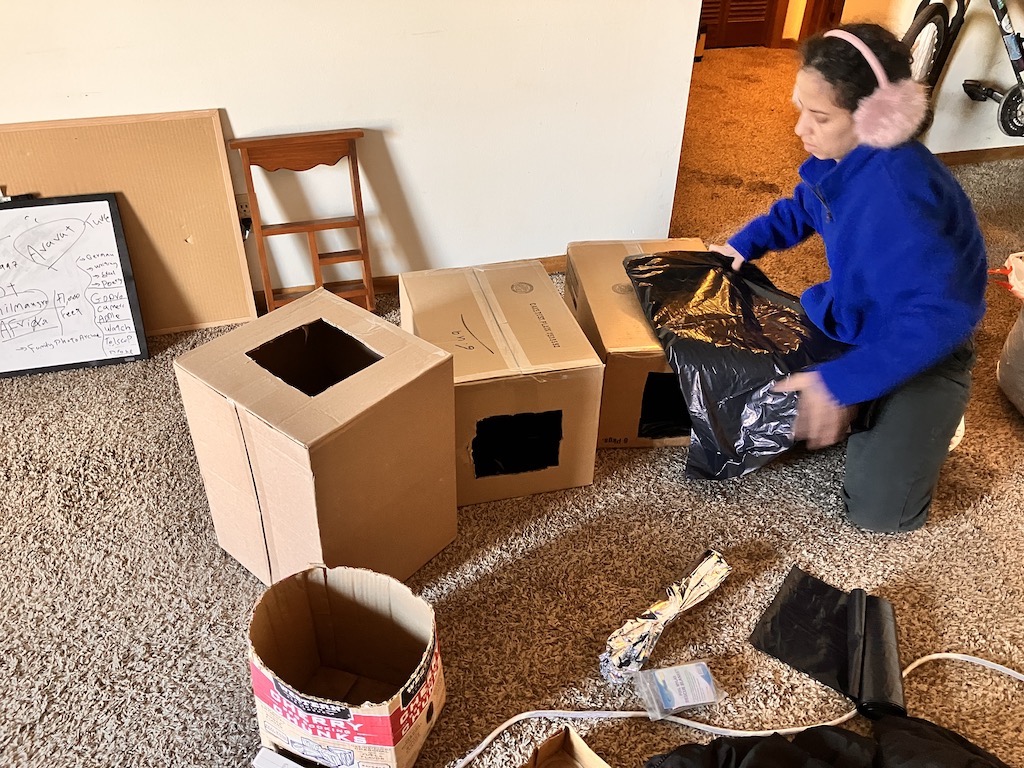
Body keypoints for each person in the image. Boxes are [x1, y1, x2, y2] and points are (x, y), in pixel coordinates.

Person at [709, 23, 988, 533]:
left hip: (925, 346)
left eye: (819, 117)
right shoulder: (841, 160)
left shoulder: (901, 196)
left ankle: (930, 412)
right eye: (800, 110)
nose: (800, 130)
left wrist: (841, 384)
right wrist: (741, 245)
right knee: (750, 401)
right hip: (853, 319)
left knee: (881, 514)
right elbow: (804, 206)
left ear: (879, 118)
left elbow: (945, 316)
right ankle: (866, 394)